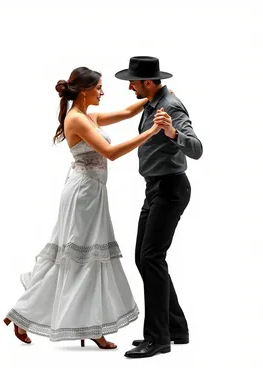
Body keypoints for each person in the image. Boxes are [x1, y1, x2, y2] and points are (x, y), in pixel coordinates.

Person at [3, 66, 168, 350]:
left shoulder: (88, 117)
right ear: (84, 90)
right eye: (99, 88)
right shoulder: (76, 120)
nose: (103, 92)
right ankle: (29, 315)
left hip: (93, 192)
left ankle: (88, 325)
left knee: (88, 256)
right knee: (80, 257)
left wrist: (158, 94)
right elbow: (112, 153)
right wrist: (153, 131)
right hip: (83, 194)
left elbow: (128, 113)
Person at [115, 56, 203, 358]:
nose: (129, 87)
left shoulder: (170, 107)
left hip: (170, 189)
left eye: (133, 82)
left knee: (151, 257)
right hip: (155, 189)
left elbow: (197, 148)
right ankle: (176, 329)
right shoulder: (155, 102)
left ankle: (158, 339)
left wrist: (173, 134)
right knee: (145, 258)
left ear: (148, 84)